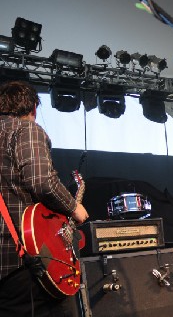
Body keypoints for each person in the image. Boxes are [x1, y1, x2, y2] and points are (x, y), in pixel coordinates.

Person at [0, 81, 89, 316]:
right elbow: (42, 182)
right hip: (25, 261)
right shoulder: (25, 129)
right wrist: (73, 208)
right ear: (33, 109)